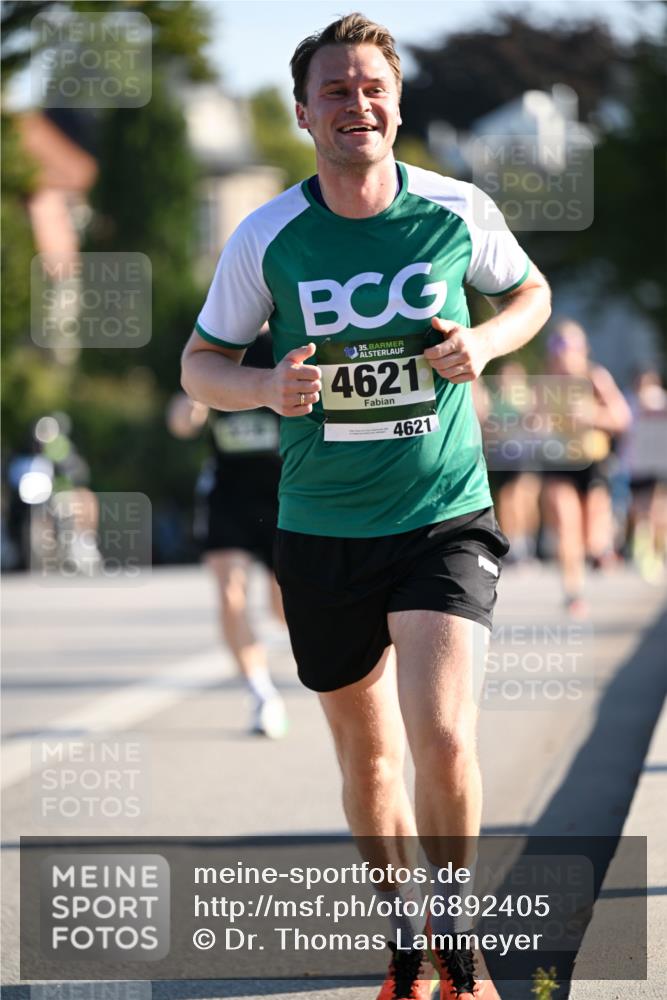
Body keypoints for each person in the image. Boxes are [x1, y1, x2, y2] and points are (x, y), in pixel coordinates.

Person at [181, 14, 551, 999]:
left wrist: (488, 343)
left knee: (440, 733)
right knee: (372, 756)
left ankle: (459, 935)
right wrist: (263, 389)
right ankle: (402, 938)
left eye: (371, 86)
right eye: (335, 90)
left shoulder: (454, 206)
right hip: (322, 525)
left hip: (441, 511)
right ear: (304, 113)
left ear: (395, 101)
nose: (357, 103)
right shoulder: (267, 234)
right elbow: (200, 364)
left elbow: (529, 294)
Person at [167, 332, 288, 739]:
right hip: (229, 494)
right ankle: (260, 693)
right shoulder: (217, 334)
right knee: (230, 594)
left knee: (283, 607)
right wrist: (192, 409)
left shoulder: (291, 330)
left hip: (284, 491)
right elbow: (180, 419)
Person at [541, 319, 631, 616]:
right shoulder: (546, 382)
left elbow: (621, 419)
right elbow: (526, 422)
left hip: (592, 463)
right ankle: (573, 592)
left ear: (583, 349)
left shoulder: (595, 378)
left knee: (590, 535)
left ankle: (601, 547)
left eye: (569, 347)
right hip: (558, 461)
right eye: (557, 347)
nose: (563, 354)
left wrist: (591, 414)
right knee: (566, 525)